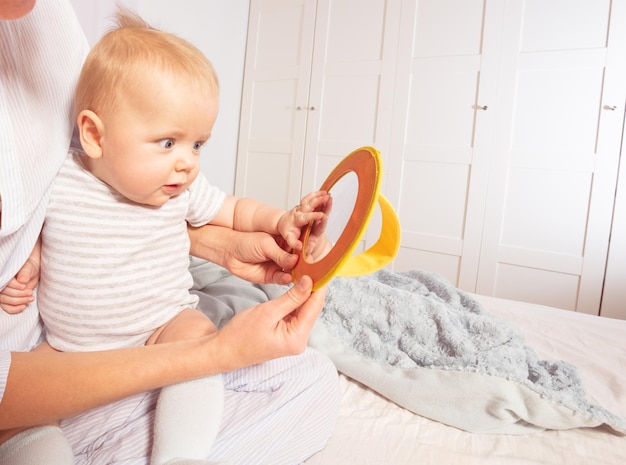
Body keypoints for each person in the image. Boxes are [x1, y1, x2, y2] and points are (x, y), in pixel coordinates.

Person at [0, 1, 340, 464]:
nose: (188, 160)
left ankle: (180, 455)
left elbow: (235, 209)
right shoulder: (64, 177)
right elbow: (34, 218)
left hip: (160, 327)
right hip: (66, 349)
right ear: (95, 136)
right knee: (22, 430)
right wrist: (35, 256)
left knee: (199, 333)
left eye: (198, 143)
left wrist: (280, 222)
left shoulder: (180, 188)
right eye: (168, 142)